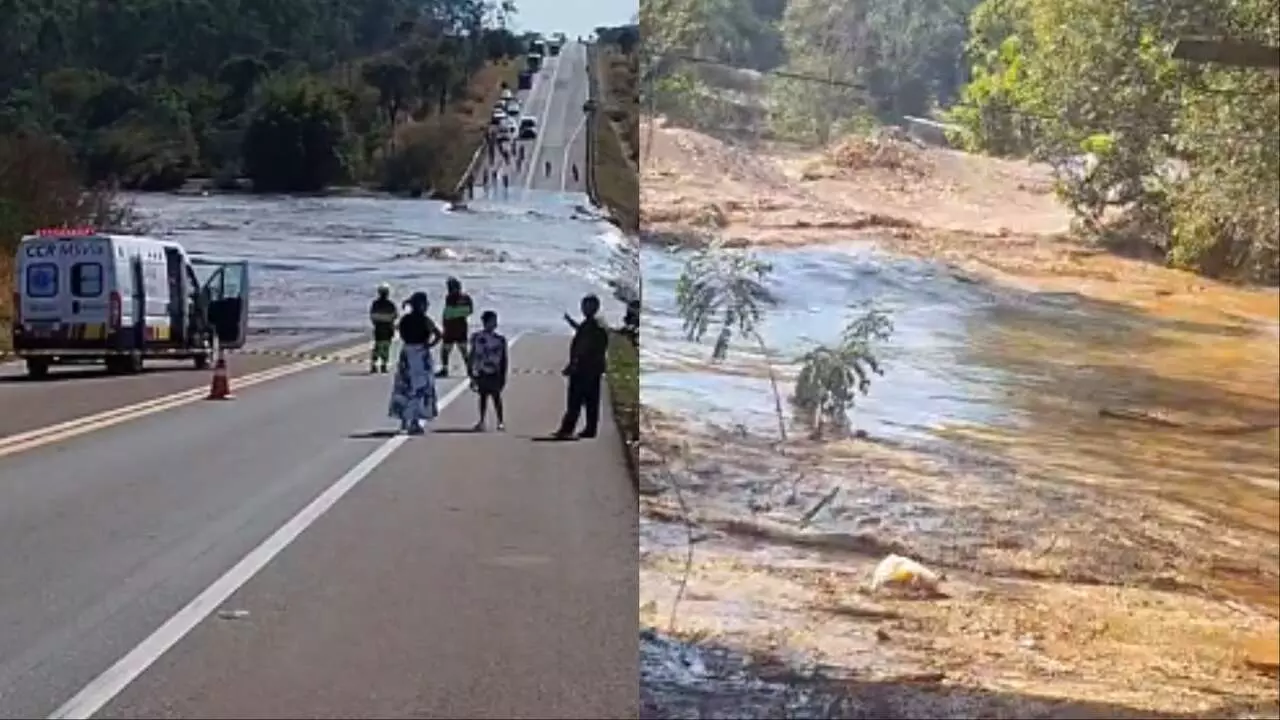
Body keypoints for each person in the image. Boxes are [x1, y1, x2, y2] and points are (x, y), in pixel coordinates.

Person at [554, 294, 610, 439]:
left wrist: (572, 365)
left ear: (593, 307)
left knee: (575, 400)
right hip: (595, 369)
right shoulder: (597, 324)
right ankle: (590, 430)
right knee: (591, 401)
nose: (583, 308)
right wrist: (570, 321)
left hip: (583, 369)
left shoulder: (591, 326)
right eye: (583, 305)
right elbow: (582, 332)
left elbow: (582, 348)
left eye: (586, 306)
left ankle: (567, 430)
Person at [388, 292, 442, 435]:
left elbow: (397, 330)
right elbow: (439, 335)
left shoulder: (405, 320)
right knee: (420, 388)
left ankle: (405, 419)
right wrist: (429, 345)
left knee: (405, 387)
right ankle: (415, 422)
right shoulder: (425, 320)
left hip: (406, 352)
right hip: (421, 354)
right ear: (422, 305)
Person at [468, 310, 509, 431]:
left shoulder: (500, 339)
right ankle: (481, 420)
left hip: (495, 372)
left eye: (495, 321)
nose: (493, 324)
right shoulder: (476, 337)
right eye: (491, 321)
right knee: (483, 396)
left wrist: (503, 374)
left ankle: (500, 421)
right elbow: (472, 354)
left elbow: (504, 358)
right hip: (482, 371)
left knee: (496, 396)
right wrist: (470, 370)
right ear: (484, 322)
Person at [437, 277, 474, 377]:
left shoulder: (453, 298)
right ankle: (469, 370)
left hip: (454, 327)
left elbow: (450, 313)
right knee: (460, 350)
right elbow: (469, 310)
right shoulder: (462, 297)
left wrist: (451, 315)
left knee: (452, 350)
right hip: (457, 327)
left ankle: (446, 369)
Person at [368, 283, 398, 373]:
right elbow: (395, 316)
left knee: (377, 346)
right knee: (386, 347)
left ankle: (374, 365)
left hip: (378, 328)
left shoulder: (375, 304)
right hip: (387, 328)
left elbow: (372, 316)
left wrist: (376, 323)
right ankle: (383, 366)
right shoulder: (390, 304)